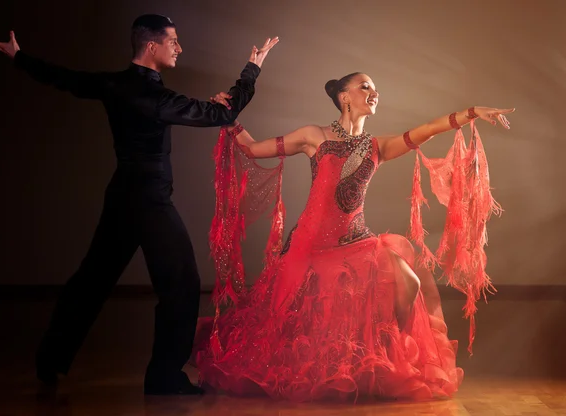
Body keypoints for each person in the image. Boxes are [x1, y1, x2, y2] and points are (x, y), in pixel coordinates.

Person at [0, 14, 278, 395]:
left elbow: (69, 80)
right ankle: (163, 377)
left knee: (92, 280)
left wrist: (21, 59)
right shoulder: (153, 96)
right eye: (173, 41)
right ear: (152, 46)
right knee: (182, 283)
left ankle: (50, 360)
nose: (180, 48)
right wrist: (251, 71)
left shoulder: (116, 84)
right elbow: (221, 115)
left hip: (124, 193)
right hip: (148, 200)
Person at [192, 72, 513, 402]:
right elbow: (253, 149)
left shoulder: (378, 146)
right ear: (344, 97)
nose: (374, 93)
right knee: (295, 322)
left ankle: (389, 358)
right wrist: (230, 121)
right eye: (365, 87)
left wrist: (472, 112)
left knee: (409, 283)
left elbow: (427, 130)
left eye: (375, 89)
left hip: (356, 240)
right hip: (311, 244)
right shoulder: (313, 136)